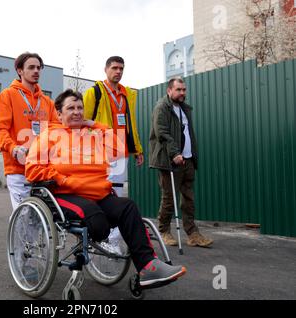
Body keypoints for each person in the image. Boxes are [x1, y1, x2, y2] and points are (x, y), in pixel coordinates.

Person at [25, 89, 186, 288]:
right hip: (65, 193)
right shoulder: (48, 136)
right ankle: (96, 238)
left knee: (128, 207)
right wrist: (61, 178)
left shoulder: (91, 135)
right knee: (96, 220)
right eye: (70, 108)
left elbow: (119, 150)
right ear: (58, 114)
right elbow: (32, 169)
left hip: (99, 193)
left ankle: (148, 267)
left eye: (80, 108)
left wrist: (95, 124)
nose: (77, 112)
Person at [149, 77, 213, 248]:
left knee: (189, 198)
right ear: (169, 90)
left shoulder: (185, 109)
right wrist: (175, 153)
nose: (182, 93)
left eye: (184, 89)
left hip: (188, 159)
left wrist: (190, 155)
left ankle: (193, 234)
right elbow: (161, 133)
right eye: (178, 90)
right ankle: (163, 231)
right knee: (169, 198)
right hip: (170, 160)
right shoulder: (162, 107)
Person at [0, 52, 59, 209]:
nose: (36, 71)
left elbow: (56, 130)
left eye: (39, 68)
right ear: (20, 70)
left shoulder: (47, 102)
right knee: (24, 214)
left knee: (43, 217)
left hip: (43, 169)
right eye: (31, 67)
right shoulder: (7, 96)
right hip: (18, 168)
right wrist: (13, 148)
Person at [83, 56, 144, 197]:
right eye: (114, 68)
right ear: (106, 70)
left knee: (117, 191)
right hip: (102, 151)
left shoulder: (127, 94)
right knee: (100, 191)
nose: (118, 71)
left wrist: (138, 149)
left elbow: (132, 124)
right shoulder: (94, 92)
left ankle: (113, 218)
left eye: (121, 69)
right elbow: (83, 121)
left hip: (122, 151)